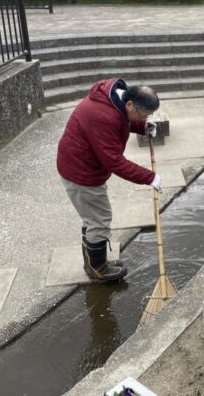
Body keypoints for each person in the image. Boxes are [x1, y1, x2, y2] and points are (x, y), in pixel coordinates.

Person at [57, 79, 162, 282]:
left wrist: (142, 126)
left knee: (92, 217)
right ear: (130, 104)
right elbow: (114, 162)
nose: (144, 117)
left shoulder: (115, 99)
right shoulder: (103, 116)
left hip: (81, 163)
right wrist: (150, 177)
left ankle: (95, 262)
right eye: (143, 115)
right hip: (81, 172)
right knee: (100, 220)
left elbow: (124, 120)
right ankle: (97, 269)